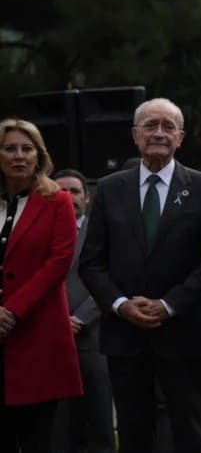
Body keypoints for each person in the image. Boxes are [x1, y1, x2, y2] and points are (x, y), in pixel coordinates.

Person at [77, 98, 201, 453]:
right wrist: (122, 305)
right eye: (151, 125)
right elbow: (92, 263)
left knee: (190, 431)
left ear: (181, 137)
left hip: (184, 331)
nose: (159, 133)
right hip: (125, 335)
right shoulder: (109, 189)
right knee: (133, 431)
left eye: (168, 126)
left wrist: (169, 304)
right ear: (135, 135)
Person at [0, 119, 83, 452]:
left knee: (39, 438)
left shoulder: (57, 201)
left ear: (39, 156)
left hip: (37, 335)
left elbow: (58, 263)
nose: (19, 156)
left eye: (27, 148)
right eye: (9, 148)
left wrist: (10, 312)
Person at [51, 168, 115, 453]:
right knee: (58, 426)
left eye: (74, 191)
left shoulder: (102, 232)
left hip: (94, 338)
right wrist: (57, 319)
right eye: (61, 191)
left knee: (99, 419)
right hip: (50, 339)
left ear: (87, 198)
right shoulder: (42, 231)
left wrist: (79, 318)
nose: (68, 197)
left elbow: (110, 278)